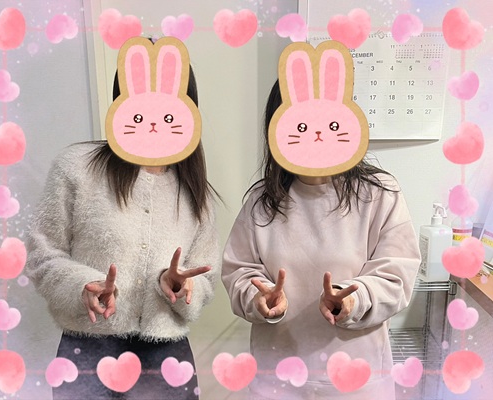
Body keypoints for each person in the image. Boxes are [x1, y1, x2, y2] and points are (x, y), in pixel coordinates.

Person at [25, 38, 220, 400]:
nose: (154, 123)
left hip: (166, 354)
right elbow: (42, 254)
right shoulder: (77, 168)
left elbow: (205, 276)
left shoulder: (194, 190)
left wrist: (181, 287)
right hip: (88, 349)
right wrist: (82, 285)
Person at [221, 79, 421, 399]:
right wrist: (257, 297)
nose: (315, 133)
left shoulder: (380, 194)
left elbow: (396, 275)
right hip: (277, 381)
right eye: (301, 123)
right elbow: (239, 270)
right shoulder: (262, 201)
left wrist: (353, 300)